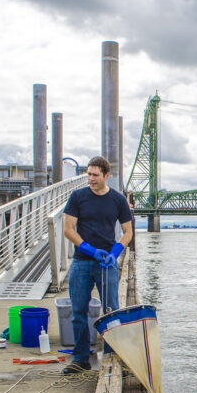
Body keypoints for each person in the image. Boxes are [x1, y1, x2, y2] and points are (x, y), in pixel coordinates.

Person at [62, 157, 133, 374]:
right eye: (88, 175)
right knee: (78, 312)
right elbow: (68, 229)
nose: (90, 179)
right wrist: (89, 249)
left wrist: (115, 252)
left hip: (106, 264)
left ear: (106, 176)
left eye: (95, 175)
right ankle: (81, 357)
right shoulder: (78, 197)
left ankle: (112, 356)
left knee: (111, 310)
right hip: (82, 262)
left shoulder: (118, 200)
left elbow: (128, 232)